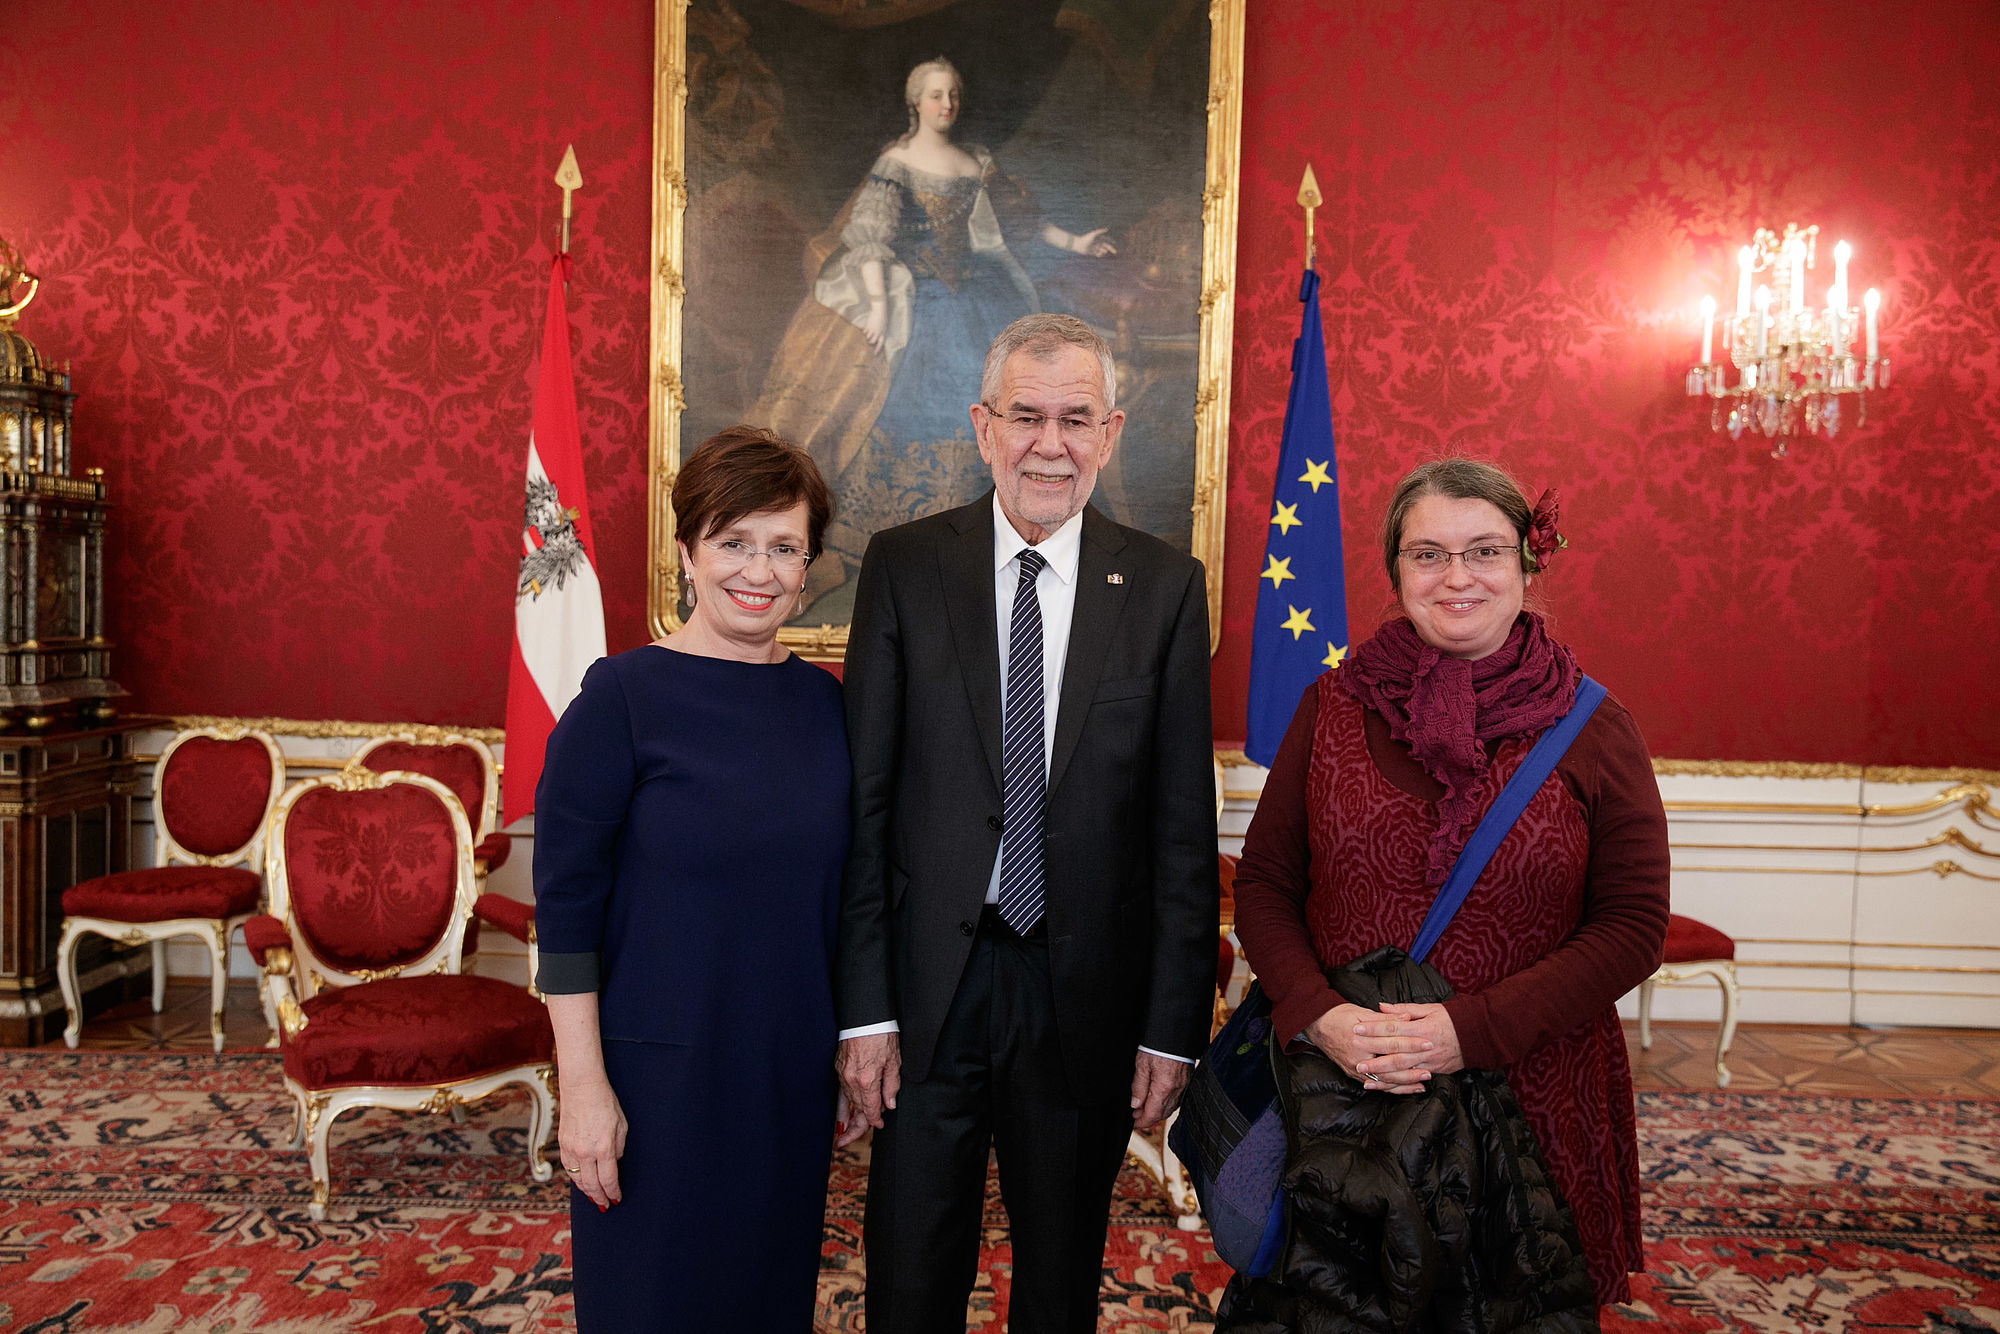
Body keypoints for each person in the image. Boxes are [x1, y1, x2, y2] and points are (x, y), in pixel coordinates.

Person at [835, 313, 1218, 1333]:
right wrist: (864, 1012)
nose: (1051, 444)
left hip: (1083, 991)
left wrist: (1170, 1027)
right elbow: (865, 805)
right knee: (910, 1272)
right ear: (982, 427)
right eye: (1027, 416)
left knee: (1060, 1278)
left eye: (1076, 419)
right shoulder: (906, 565)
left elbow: (1182, 831)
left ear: (1111, 433)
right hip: (928, 991)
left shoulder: (1165, 587)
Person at [1225, 458, 1670, 1320]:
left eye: (1485, 551)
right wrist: (1320, 1015)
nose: (1457, 577)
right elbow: (1268, 885)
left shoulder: (1595, 727)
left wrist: (1468, 1033)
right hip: (1344, 1098)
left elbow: (1632, 927)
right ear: (1396, 570)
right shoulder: (1331, 705)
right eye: (1428, 554)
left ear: (1527, 564)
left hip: (1533, 1105)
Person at [532, 427, 847, 1332]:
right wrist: (582, 1089)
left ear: (808, 566)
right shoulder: (621, 701)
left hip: (785, 1079)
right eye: (733, 542)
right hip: (652, 1084)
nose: (759, 570)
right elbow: (566, 913)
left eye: (783, 547)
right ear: (686, 552)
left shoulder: (829, 706)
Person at [754, 57, 1117, 602]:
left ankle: (976, 544)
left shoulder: (976, 161)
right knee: (908, 402)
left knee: (994, 404)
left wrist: (1076, 242)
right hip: (919, 301)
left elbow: (1018, 223)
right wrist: (879, 307)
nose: (946, 104)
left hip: (976, 296)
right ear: (915, 102)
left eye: (952, 95)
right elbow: (871, 237)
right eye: (935, 95)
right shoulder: (897, 162)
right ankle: (891, 544)